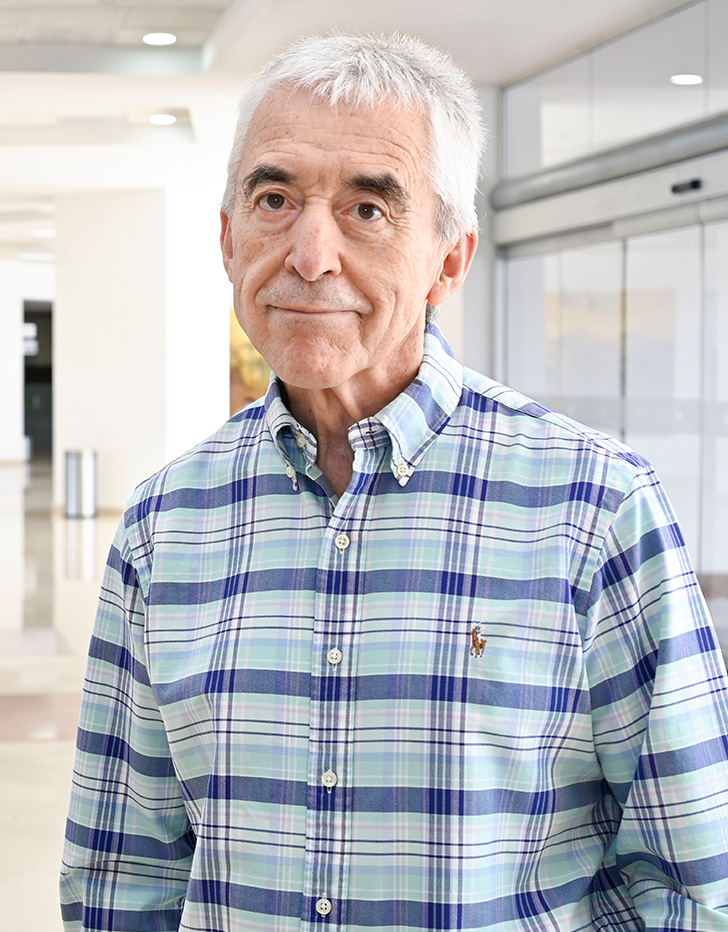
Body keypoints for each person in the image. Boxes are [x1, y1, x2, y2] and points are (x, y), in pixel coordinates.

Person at [60, 32, 728, 932]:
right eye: (274, 198)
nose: (309, 254)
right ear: (227, 239)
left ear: (450, 260)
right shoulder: (162, 526)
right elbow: (122, 877)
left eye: (368, 211)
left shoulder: (594, 508)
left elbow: (696, 880)